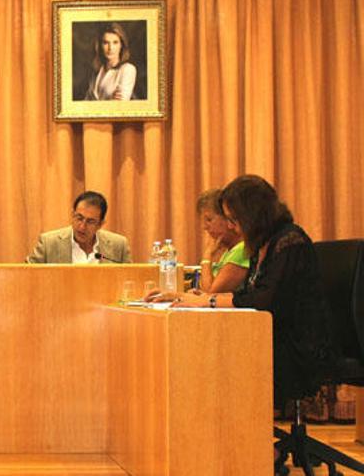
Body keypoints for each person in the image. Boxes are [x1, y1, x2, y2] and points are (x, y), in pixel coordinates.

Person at [148, 175, 337, 408]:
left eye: (233, 219)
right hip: (271, 337)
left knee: (218, 359)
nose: (230, 226)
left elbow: (264, 300)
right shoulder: (262, 244)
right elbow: (249, 293)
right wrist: (196, 298)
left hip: (298, 347)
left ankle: (235, 436)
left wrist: (210, 302)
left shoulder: (289, 240)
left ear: (252, 214)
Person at [27, 191, 131, 264]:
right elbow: (28, 275)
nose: (82, 226)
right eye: (79, 218)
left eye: (90, 222)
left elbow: (129, 281)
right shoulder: (48, 243)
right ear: (73, 214)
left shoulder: (118, 245)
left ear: (100, 224)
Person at [195, 188, 249, 292]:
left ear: (227, 218)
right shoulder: (230, 250)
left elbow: (211, 293)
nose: (204, 227)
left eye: (209, 220)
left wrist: (207, 257)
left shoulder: (242, 250)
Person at [85, 23, 137, 101]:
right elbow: (86, 103)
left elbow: (119, 106)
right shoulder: (97, 72)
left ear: (121, 45)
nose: (110, 48)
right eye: (106, 43)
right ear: (100, 45)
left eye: (115, 42)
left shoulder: (127, 69)